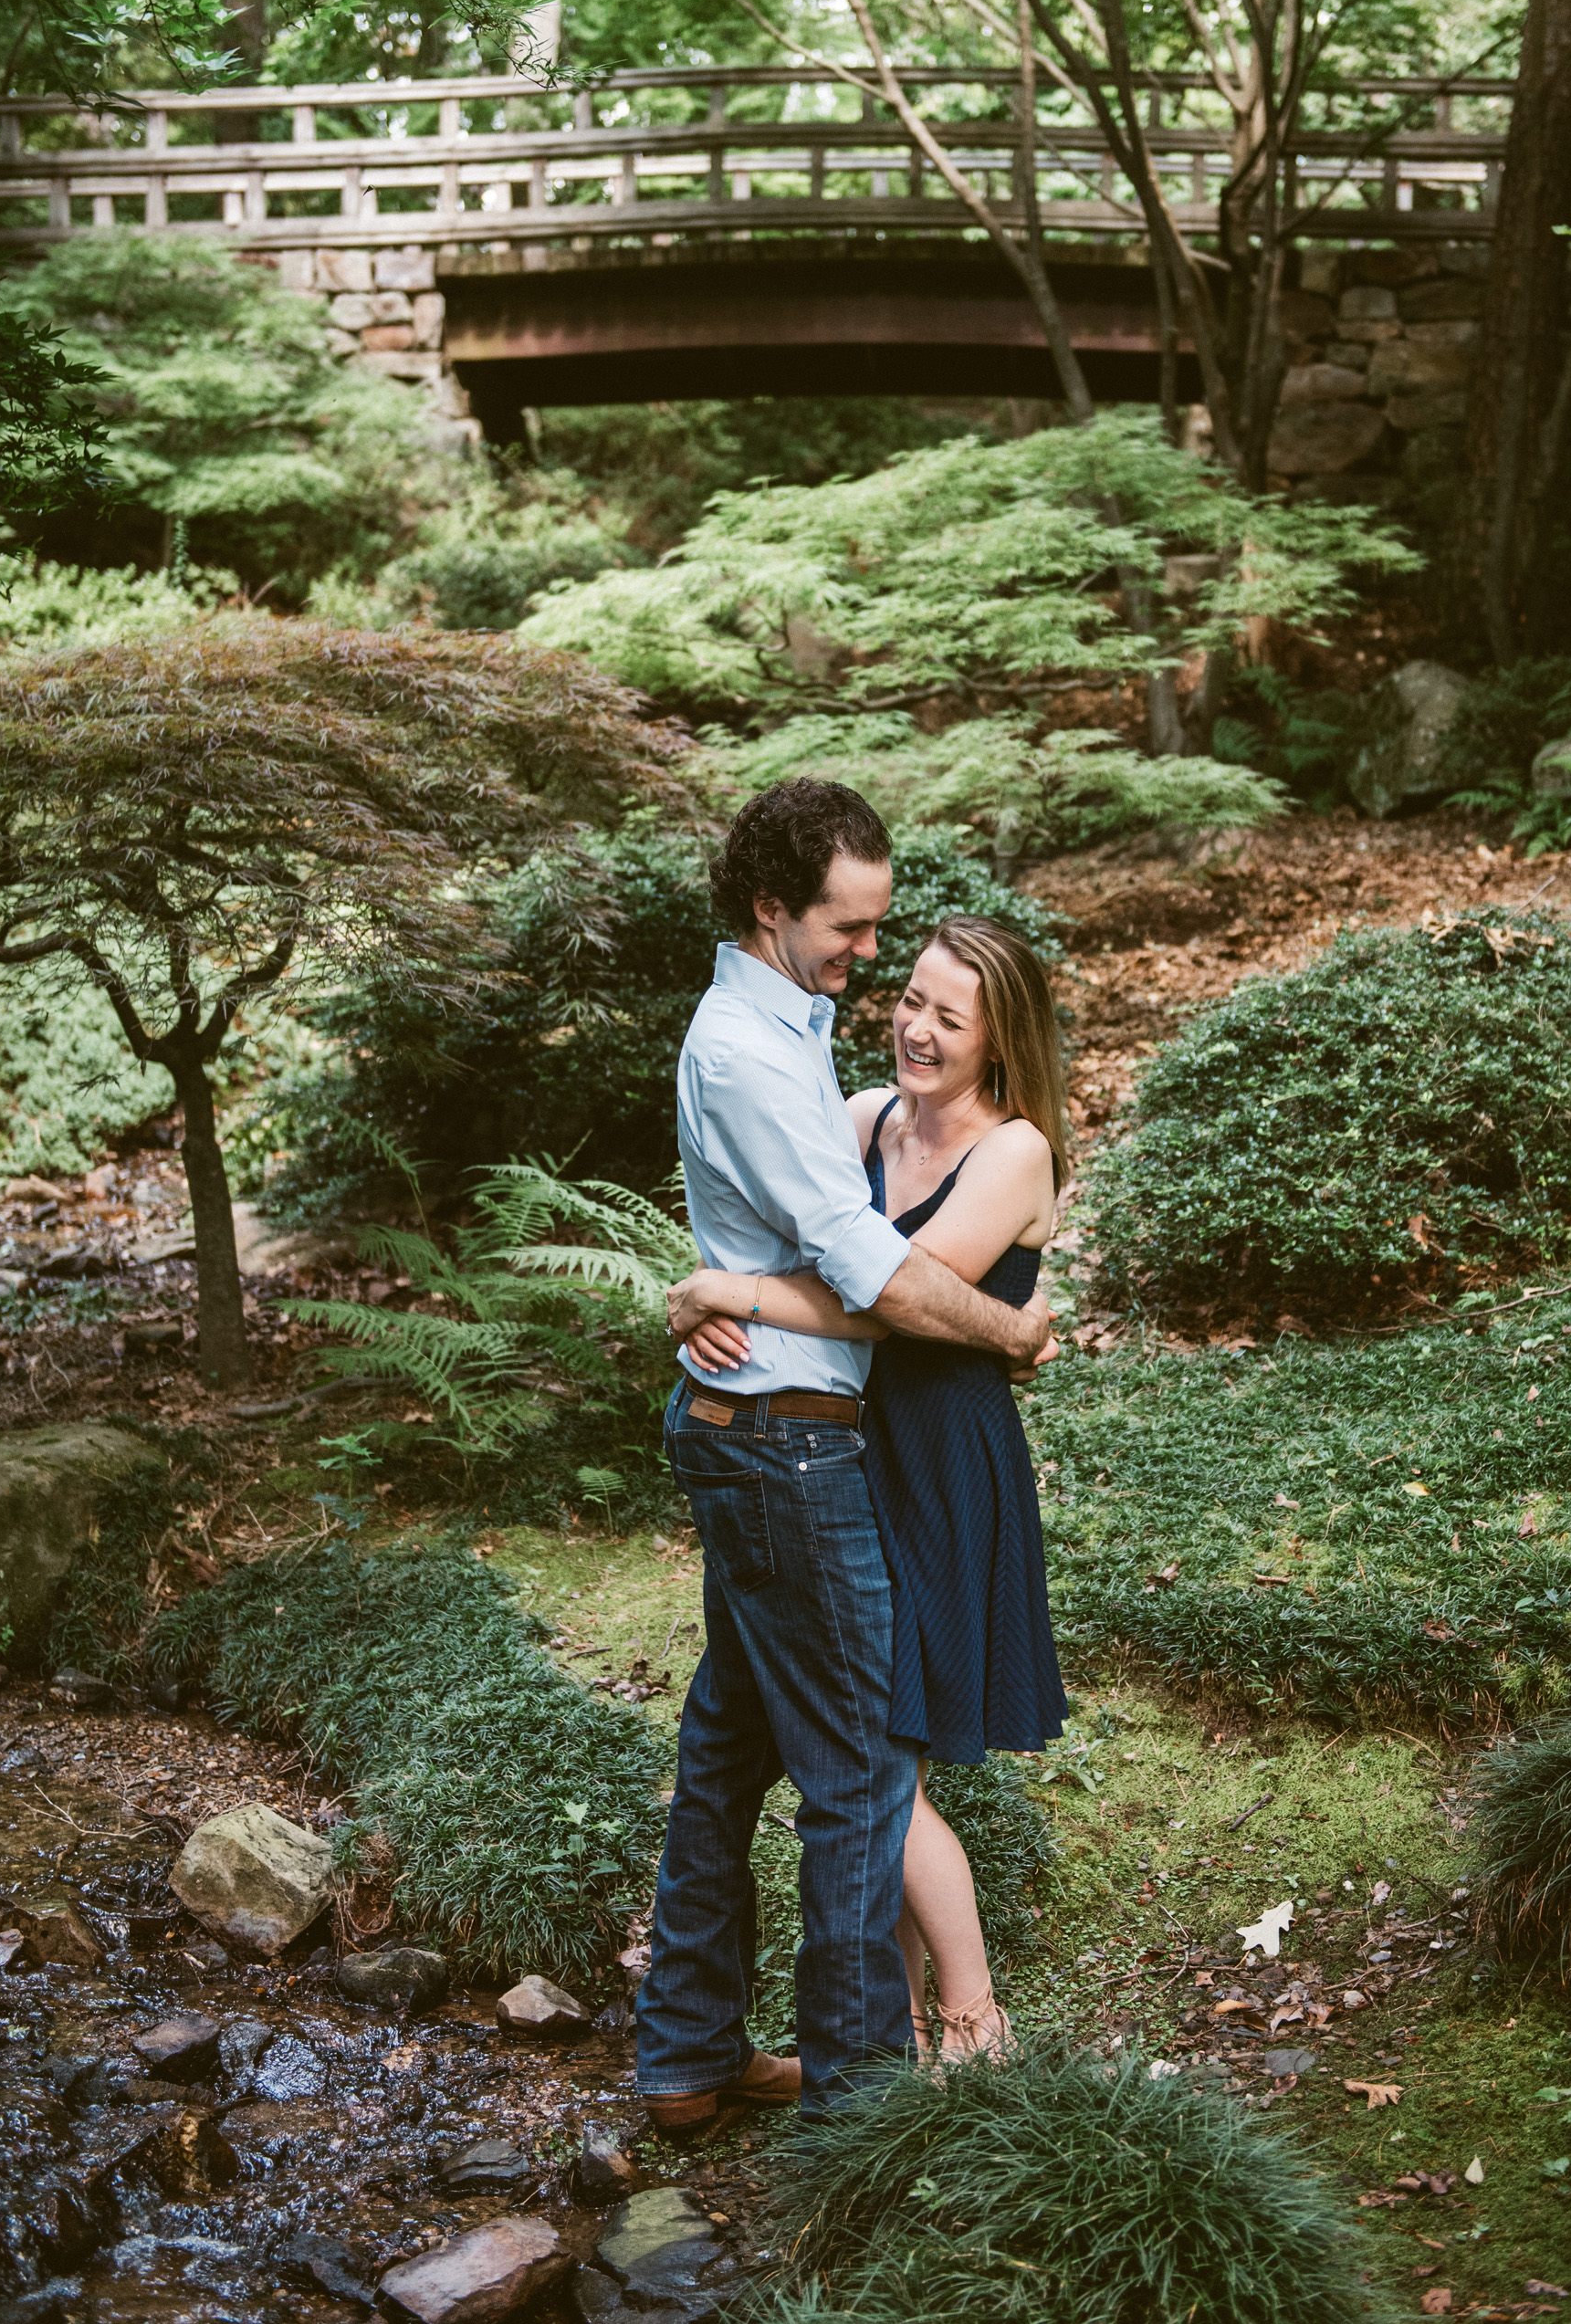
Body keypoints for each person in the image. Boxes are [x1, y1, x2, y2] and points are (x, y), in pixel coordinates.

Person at [635, 779, 1057, 2133]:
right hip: (791, 1450)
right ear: (773, 909)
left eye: (889, 936)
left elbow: (794, 1247)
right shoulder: (758, 1055)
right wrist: (1017, 1331)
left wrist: (730, 1292)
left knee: (729, 1746)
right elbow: (876, 1275)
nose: (872, 961)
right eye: (853, 929)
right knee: (864, 1772)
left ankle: (689, 2054)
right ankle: (861, 2108)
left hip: (795, 1437)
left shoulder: (785, 1030)